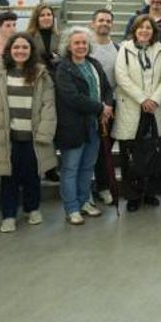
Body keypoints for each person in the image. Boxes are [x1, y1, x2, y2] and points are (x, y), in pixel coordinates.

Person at [0, 32, 57, 233]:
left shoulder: (41, 74)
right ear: (9, 50)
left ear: (31, 50)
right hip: (6, 138)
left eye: (25, 47)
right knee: (8, 177)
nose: (20, 51)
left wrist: (45, 132)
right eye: (16, 47)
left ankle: (32, 208)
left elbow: (48, 105)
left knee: (32, 176)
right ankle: (9, 215)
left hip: (32, 137)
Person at [55, 28, 114, 225]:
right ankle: (71, 207)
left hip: (94, 125)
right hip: (73, 126)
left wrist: (107, 105)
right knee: (71, 168)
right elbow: (72, 97)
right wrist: (100, 108)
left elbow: (106, 88)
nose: (81, 46)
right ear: (68, 46)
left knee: (87, 166)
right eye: (76, 43)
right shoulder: (63, 68)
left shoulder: (94, 64)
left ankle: (84, 201)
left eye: (84, 43)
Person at [114, 15, 161, 213]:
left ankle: (150, 193)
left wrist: (154, 99)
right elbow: (121, 76)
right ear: (135, 30)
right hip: (132, 107)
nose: (145, 31)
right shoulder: (125, 49)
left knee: (153, 152)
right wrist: (142, 99)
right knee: (130, 154)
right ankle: (133, 195)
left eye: (149, 28)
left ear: (153, 31)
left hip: (154, 108)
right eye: (141, 28)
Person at [88, 8, 119, 205]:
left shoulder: (118, 48)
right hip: (90, 105)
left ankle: (103, 187)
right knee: (91, 149)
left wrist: (108, 106)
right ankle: (87, 189)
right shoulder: (86, 46)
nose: (104, 23)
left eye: (108, 21)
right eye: (100, 20)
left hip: (112, 104)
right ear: (93, 23)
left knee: (105, 150)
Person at [27, 3, 60, 72]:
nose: (46, 18)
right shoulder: (28, 36)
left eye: (49, 15)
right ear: (36, 18)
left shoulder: (59, 36)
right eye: (42, 15)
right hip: (35, 74)